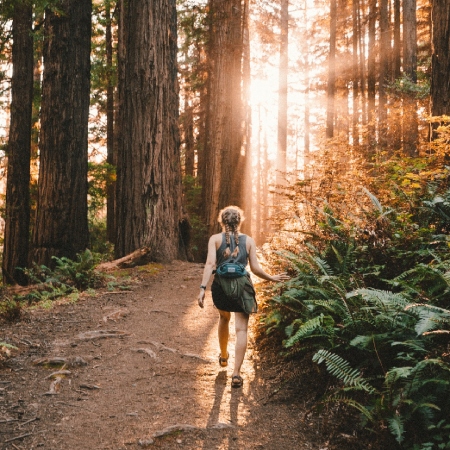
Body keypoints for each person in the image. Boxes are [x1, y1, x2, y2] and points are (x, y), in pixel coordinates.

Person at [198, 205, 290, 388]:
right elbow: (255, 268)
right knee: (241, 329)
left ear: (222, 221)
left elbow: (210, 264)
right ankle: (236, 374)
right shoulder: (248, 241)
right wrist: (272, 277)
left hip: (221, 287)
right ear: (239, 221)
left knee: (223, 318)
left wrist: (202, 289)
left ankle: (223, 356)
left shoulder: (215, 239)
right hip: (242, 288)